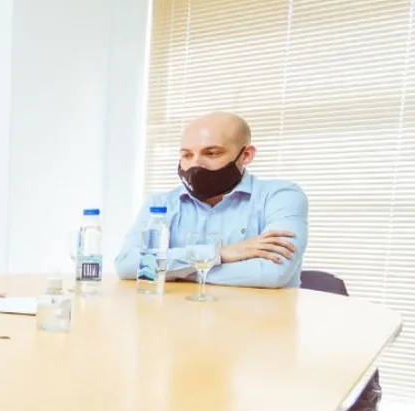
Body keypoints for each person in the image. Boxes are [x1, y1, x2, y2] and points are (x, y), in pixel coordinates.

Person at [115, 112, 307, 288]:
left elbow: (272, 274)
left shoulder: (281, 196)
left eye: (212, 153)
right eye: (187, 155)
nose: (195, 164)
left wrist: (175, 271)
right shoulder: (160, 204)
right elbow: (126, 265)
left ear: (246, 155)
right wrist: (220, 253)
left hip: (259, 321)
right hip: (177, 319)